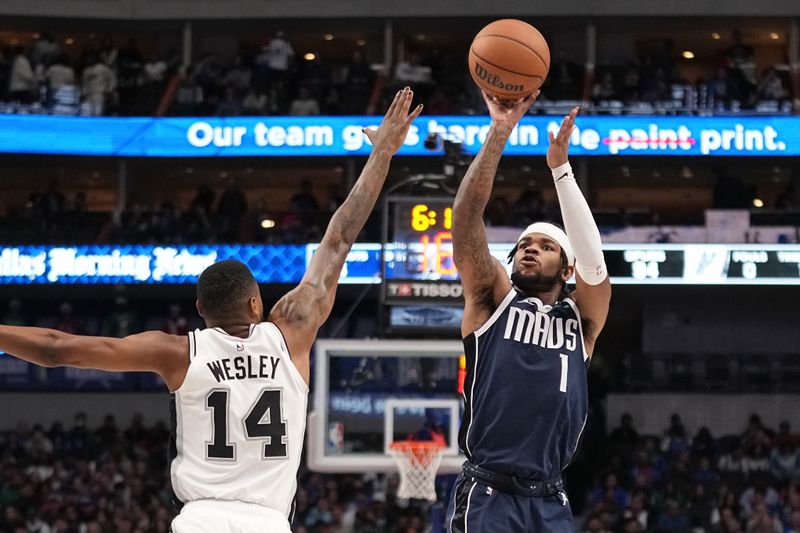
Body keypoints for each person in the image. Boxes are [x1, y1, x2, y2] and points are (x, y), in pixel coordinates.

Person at [0, 87, 422, 533]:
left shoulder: (178, 352)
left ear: (200, 309)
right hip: (268, 522)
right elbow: (339, 238)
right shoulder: (290, 332)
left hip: (200, 520)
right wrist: (383, 155)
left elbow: (54, 347)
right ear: (256, 303)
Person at [446, 94, 611, 532]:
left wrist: (561, 170)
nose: (530, 248)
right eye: (523, 244)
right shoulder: (491, 300)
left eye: (546, 245)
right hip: (489, 492)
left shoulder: (582, 320)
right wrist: (499, 133)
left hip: (550, 497)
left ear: (567, 266)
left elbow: (596, 267)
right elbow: (464, 221)